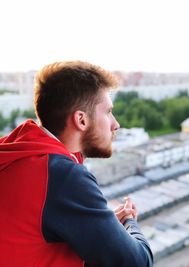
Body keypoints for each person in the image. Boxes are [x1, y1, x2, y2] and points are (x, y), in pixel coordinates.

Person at [0, 61, 153, 267]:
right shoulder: (61, 176)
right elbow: (136, 263)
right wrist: (129, 223)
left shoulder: (17, 152)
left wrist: (104, 228)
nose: (115, 124)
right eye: (108, 112)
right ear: (81, 120)